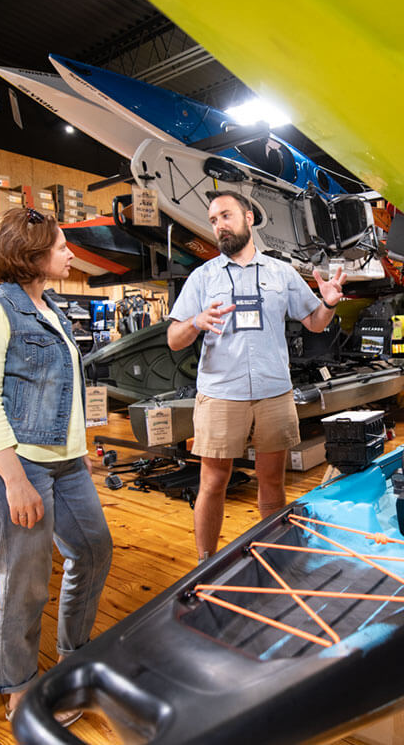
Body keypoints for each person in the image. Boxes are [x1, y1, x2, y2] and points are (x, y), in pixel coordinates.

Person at [0, 207, 112, 725]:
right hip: (16, 465)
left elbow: (61, 390)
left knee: (93, 550)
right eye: (61, 246)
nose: (69, 254)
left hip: (65, 462)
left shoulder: (51, 309)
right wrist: (15, 480)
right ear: (31, 254)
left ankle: (74, 658)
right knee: (26, 579)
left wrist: (78, 445)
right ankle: (20, 688)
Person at [166, 191, 345, 559]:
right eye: (213, 220)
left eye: (226, 216)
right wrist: (196, 321)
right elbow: (173, 338)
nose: (219, 225)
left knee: (272, 480)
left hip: (273, 393)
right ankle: (204, 563)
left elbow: (314, 322)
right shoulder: (203, 277)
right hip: (221, 393)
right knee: (213, 481)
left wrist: (327, 303)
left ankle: (276, 555)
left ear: (248, 218)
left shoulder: (282, 273)